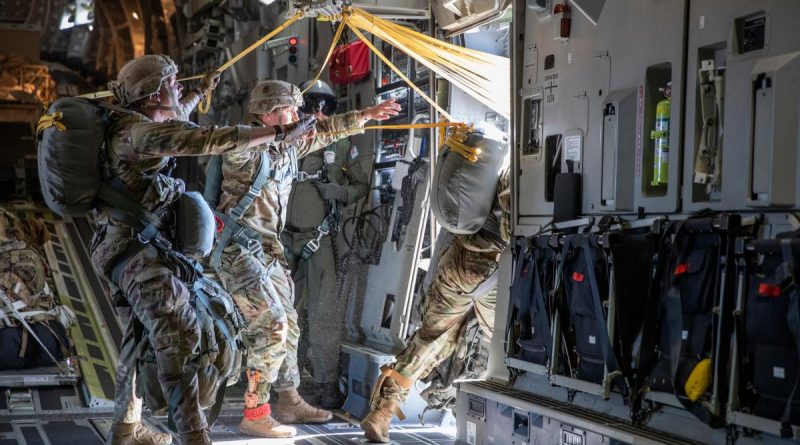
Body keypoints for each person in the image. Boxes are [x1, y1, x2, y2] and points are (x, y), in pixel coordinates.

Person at [94, 54, 315, 445]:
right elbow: (201, 138)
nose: (178, 89)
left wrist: (199, 91)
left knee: (139, 338)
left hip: (128, 246)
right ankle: (195, 436)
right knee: (177, 339)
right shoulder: (140, 135)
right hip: (135, 252)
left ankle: (126, 428)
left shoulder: (137, 124)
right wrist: (277, 136)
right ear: (151, 93)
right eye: (173, 83)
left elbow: (176, 114)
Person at [210, 79, 400, 438]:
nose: (298, 116)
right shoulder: (243, 146)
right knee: (272, 326)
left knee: (292, 325)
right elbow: (237, 140)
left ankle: (288, 399)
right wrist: (285, 132)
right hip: (239, 250)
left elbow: (325, 134)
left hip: (267, 252)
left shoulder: (287, 148)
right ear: (267, 114)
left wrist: (366, 116)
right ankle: (255, 411)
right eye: (290, 109)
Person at [360, 167, 511, 443]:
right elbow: (514, 231)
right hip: (490, 267)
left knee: (431, 340)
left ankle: (382, 412)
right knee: (504, 343)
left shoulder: (496, 169)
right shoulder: (523, 173)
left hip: (455, 262)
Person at [281, 79, 371, 409]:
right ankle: (278, 382)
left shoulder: (343, 143)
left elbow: (361, 185)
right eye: (312, 105)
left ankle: (325, 382)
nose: (318, 112)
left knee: (324, 313)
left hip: (318, 236)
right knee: (276, 310)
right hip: (282, 237)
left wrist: (340, 193)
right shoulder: (286, 139)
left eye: (326, 107)